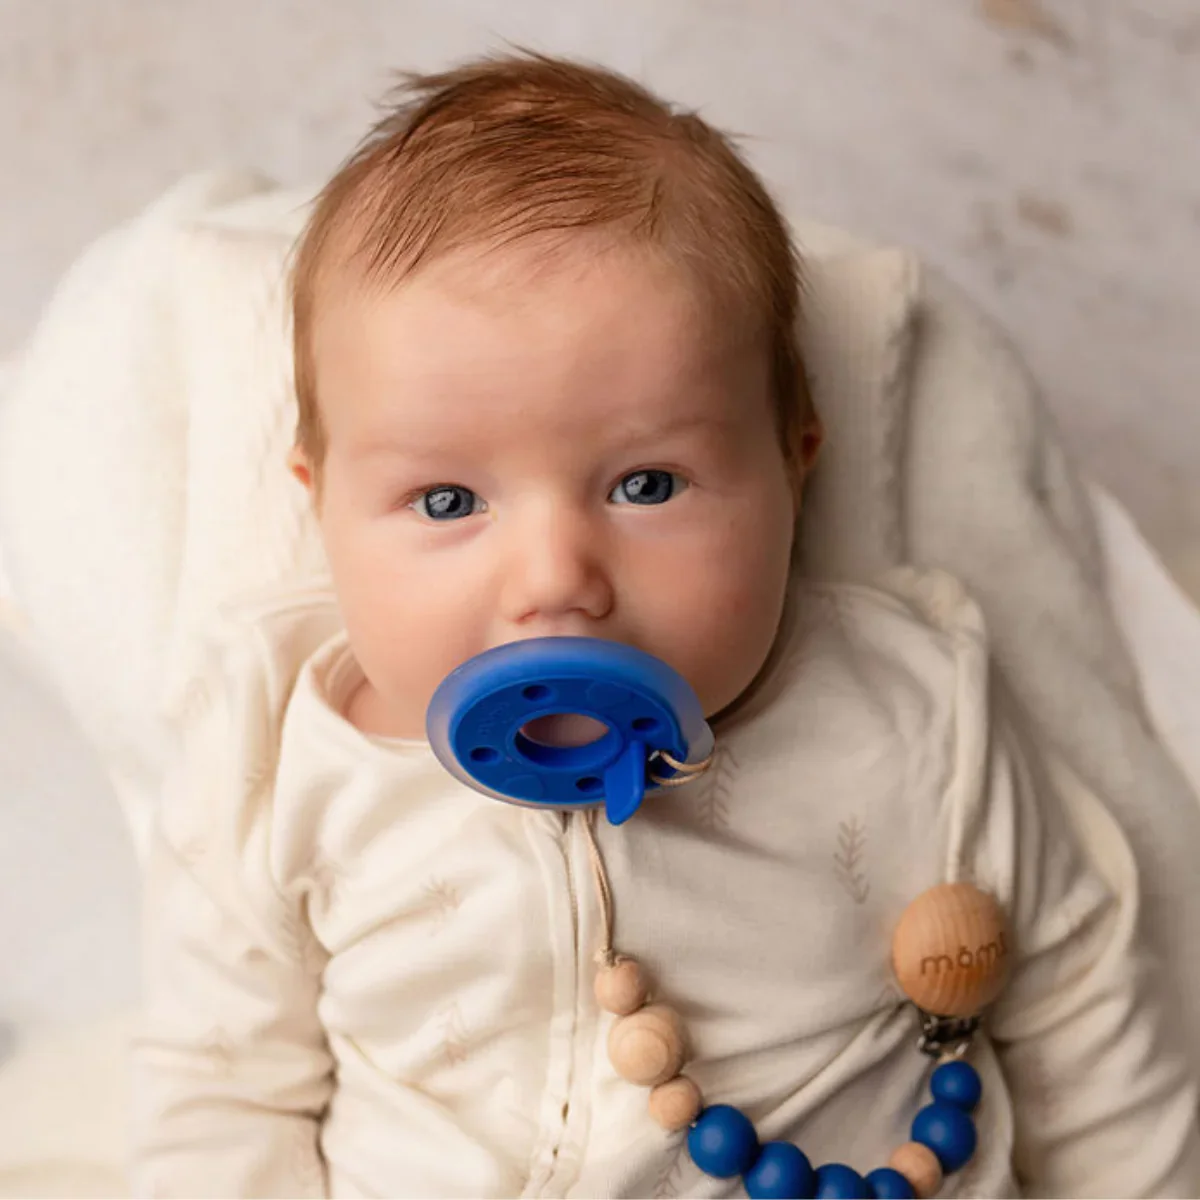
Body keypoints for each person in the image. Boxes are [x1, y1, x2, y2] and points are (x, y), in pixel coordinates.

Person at [130, 52, 1199, 1198]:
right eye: (447, 503)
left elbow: (1086, 1005)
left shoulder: (910, 712)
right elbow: (226, 1086)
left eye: (646, 485)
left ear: (795, 460)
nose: (554, 581)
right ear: (320, 499)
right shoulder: (275, 747)